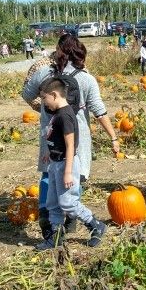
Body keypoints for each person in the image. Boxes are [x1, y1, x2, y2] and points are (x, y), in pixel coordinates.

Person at [22, 35, 121, 243]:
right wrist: (113, 137)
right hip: (77, 138)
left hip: (49, 135)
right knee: (75, 177)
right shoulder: (86, 79)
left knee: (49, 177)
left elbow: (27, 94)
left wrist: (42, 103)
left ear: (58, 51)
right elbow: (99, 112)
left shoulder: (45, 73)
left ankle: (49, 225)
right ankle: (69, 222)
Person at [37, 78, 107, 249]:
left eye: (44, 98)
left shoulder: (65, 116)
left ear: (54, 95)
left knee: (68, 202)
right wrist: (48, 153)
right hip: (55, 163)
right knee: (52, 203)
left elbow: (70, 145)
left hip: (65, 165)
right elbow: (54, 137)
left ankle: (95, 225)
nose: (43, 102)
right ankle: (56, 237)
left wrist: (68, 172)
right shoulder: (57, 114)